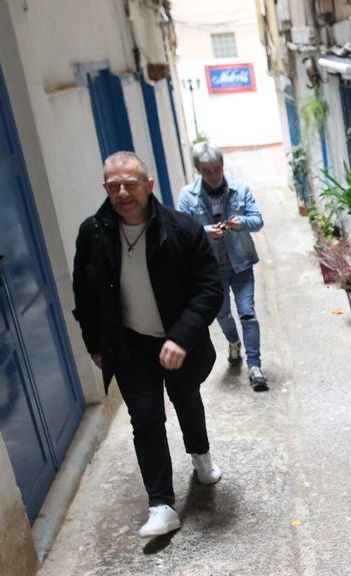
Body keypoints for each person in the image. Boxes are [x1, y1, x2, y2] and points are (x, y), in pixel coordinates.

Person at [72, 151, 224, 538]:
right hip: (130, 346)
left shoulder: (182, 229)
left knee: (186, 400)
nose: (123, 192)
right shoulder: (93, 233)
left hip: (179, 344)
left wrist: (181, 336)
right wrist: (95, 342)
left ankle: (200, 455)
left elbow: (209, 289)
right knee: (145, 419)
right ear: (105, 187)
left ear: (148, 185)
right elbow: (85, 293)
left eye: (130, 184)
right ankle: (161, 503)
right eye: (114, 185)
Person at [176, 143, 269, 391]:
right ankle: (233, 342)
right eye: (207, 171)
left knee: (248, 313)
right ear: (198, 170)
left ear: (223, 166)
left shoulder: (240, 187)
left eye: (217, 169)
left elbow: (258, 220)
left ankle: (254, 366)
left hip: (241, 263)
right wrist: (206, 232)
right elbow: (182, 231)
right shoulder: (187, 195)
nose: (214, 176)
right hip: (209, 269)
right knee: (222, 313)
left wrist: (242, 222)